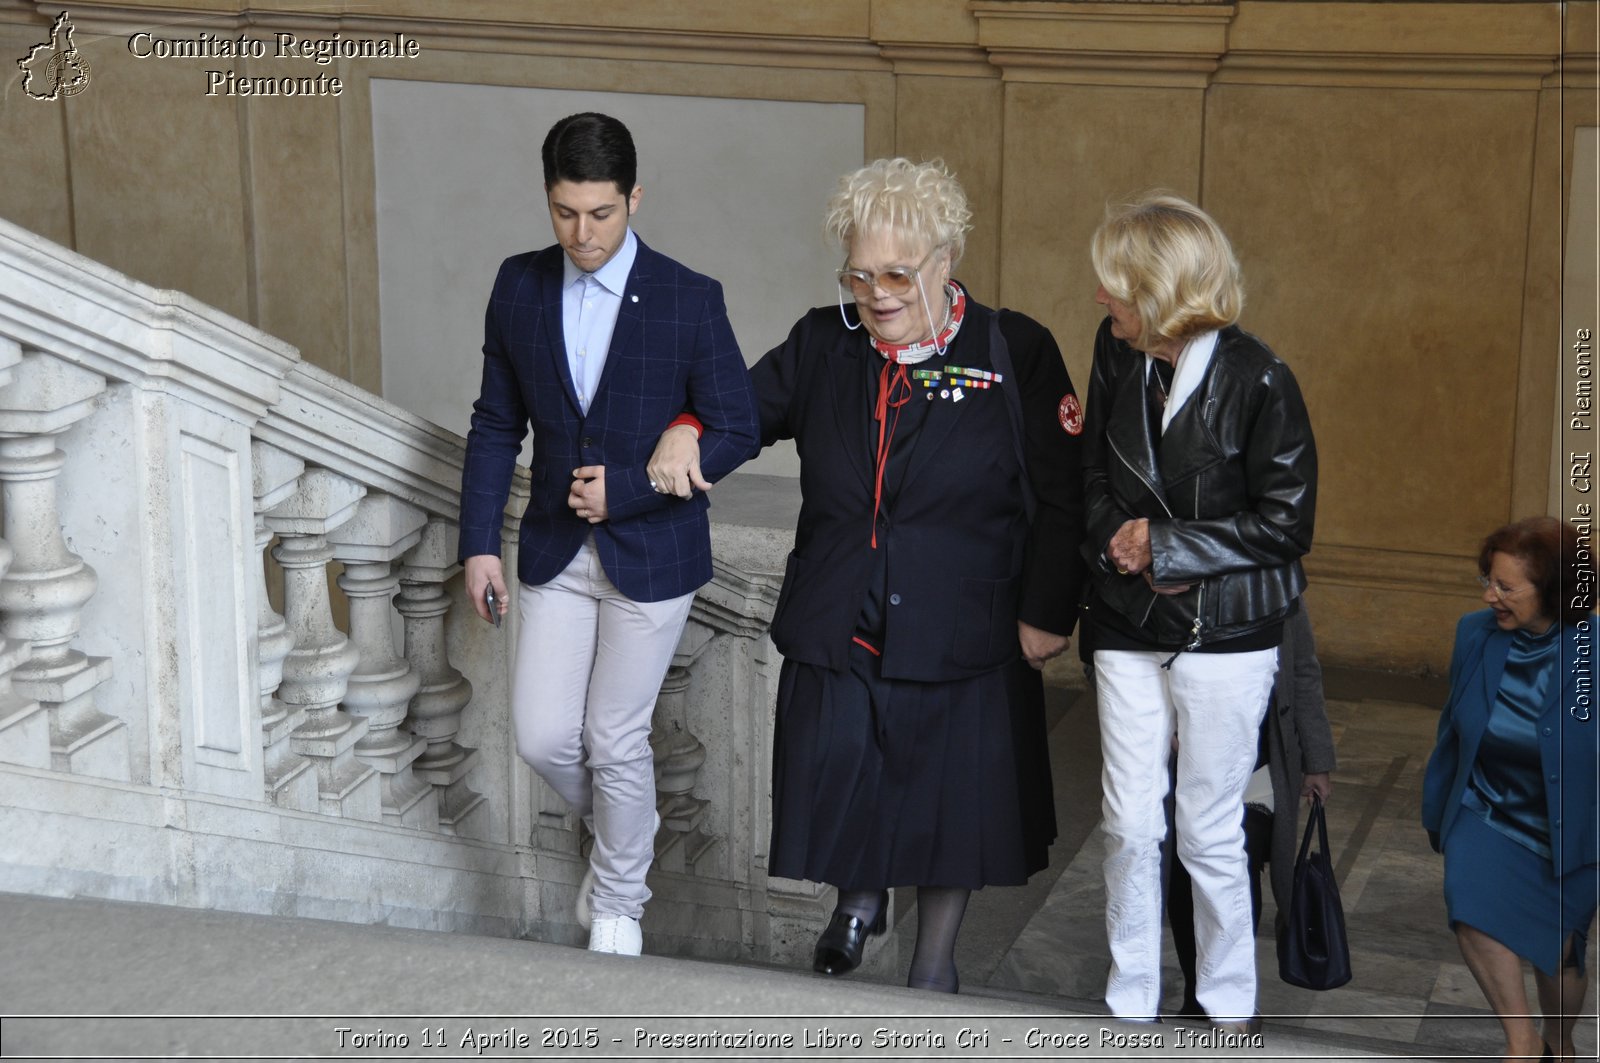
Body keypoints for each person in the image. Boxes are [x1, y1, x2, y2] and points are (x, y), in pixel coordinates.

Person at [648, 158, 1087, 993]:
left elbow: (1064, 494)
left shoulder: (1012, 349)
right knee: (845, 756)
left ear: (945, 259)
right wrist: (687, 426)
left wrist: (1048, 608)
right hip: (843, 601)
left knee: (949, 799)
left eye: (895, 275)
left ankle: (933, 959)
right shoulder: (824, 339)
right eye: (859, 275)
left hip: (967, 619)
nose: (875, 294)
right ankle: (859, 896)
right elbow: (744, 407)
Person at [456, 112, 758, 956]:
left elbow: (738, 426)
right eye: (564, 212)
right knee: (542, 734)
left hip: (656, 551)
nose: (582, 233)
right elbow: (492, 423)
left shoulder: (689, 298)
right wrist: (479, 540)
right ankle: (631, 836)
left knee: (615, 735)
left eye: (600, 213)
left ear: (634, 198)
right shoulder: (517, 285)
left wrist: (636, 480)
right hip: (553, 547)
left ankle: (620, 902)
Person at [1081, 191, 1318, 1028]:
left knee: (1208, 829)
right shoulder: (1117, 356)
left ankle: (1226, 1011)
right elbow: (1094, 478)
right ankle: (1131, 1004)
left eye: (1114, 284)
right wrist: (1120, 539)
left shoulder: (1260, 376)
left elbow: (1288, 521)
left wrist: (1171, 548)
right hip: (1123, 621)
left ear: (1156, 288)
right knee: (1126, 822)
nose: (1101, 299)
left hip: (1228, 631)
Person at [1422, 516, 1598, 1063]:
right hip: (1486, 805)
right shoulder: (1473, 633)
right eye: (1488, 580)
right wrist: (1440, 809)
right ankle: (1520, 1043)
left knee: (1560, 953)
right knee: (1470, 905)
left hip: (1571, 824)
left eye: (1505, 586)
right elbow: (1454, 725)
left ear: (1551, 590)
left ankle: (1559, 1045)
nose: (1489, 595)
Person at [1164, 604, 1336, 1019]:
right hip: (1188, 758)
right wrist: (1165, 724)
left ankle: (1231, 994)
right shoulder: (1180, 581)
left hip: (1259, 767)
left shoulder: (1281, 585)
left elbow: (1303, 674)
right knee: (1185, 877)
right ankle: (1197, 993)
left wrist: (1316, 760)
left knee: (1236, 866)